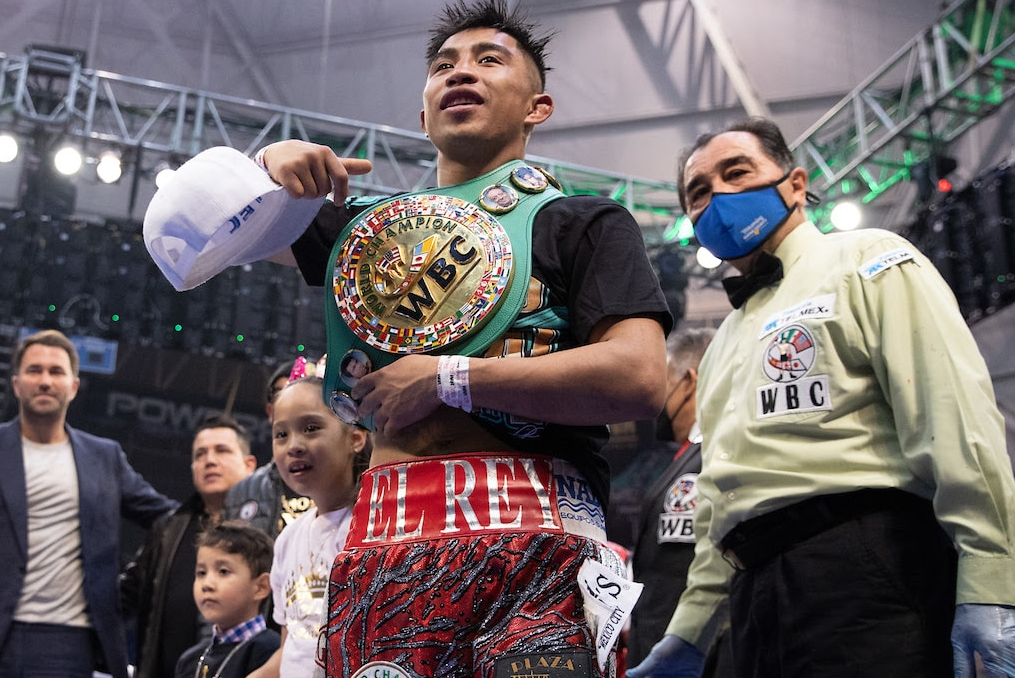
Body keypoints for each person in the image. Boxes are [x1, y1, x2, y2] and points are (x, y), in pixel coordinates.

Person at [144, 1, 671, 674]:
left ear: (538, 106)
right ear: (423, 116)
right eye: (444, 65)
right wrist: (267, 169)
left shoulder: (584, 222)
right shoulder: (365, 233)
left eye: (489, 60)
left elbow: (638, 377)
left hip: (537, 534)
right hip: (386, 540)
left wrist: (448, 377)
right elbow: (188, 232)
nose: (462, 72)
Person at [628, 117, 1015, 678]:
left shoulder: (868, 259)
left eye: (737, 173)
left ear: (795, 184)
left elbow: (953, 416)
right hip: (754, 599)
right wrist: (688, 633)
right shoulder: (721, 345)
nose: (718, 197)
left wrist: (991, 578)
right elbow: (719, 499)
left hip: (868, 567)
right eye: (699, 191)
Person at [0, 329, 177, 678]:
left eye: (56, 372)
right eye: (35, 371)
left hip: (70, 642)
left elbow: (168, 518)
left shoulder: (104, 457)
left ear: (74, 386)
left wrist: (226, 508)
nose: (45, 381)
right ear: (17, 384)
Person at [625, 327, 733, 678]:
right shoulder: (686, 458)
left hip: (697, 656)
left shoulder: (713, 458)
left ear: (689, 380)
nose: (657, 397)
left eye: (666, 379)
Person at [248, 376, 368, 678]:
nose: (294, 446)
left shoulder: (371, 530)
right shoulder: (288, 539)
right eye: (281, 434)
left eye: (311, 428)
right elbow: (293, 650)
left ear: (355, 437)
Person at [123, 415, 257, 678]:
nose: (209, 460)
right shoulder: (168, 529)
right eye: (200, 454)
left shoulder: (267, 529)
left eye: (222, 450)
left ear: (249, 464)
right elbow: (127, 595)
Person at [173, 521, 280, 678]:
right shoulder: (190, 660)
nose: (207, 584)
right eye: (201, 573)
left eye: (223, 571)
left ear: (261, 587)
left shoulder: (270, 652)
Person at [222, 362, 314, 539]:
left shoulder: (351, 482)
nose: (293, 400)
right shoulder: (242, 492)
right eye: (283, 392)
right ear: (271, 411)